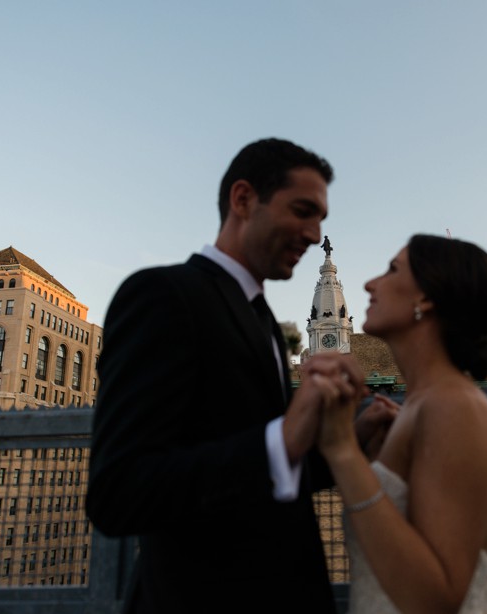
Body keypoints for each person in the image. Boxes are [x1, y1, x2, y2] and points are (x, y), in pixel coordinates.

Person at [85, 138, 371, 613]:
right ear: (243, 200)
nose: (313, 231)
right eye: (302, 210)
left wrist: (346, 442)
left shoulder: (259, 318)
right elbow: (118, 493)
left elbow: (258, 466)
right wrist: (281, 440)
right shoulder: (162, 296)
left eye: (320, 219)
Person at [312, 233, 487, 614]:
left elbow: (436, 599)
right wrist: (373, 455)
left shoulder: (453, 408)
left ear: (426, 299)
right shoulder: (423, 406)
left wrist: (341, 450)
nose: (371, 283)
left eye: (392, 270)